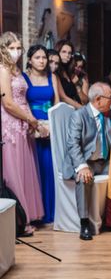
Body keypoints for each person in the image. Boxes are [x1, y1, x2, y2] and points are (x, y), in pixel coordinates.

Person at [62, 82, 111, 241]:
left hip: (103, 162)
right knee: (82, 179)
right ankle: (84, 223)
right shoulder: (79, 116)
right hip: (86, 161)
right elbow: (72, 144)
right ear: (97, 100)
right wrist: (82, 166)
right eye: (110, 98)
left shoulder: (108, 113)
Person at [0, 32, 45, 233]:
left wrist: (29, 121)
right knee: (13, 170)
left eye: (19, 48)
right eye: (12, 48)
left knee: (25, 168)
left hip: (23, 121)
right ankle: (18, 220)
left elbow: (22, 98)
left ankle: (27, 214)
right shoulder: (2, 70)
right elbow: (8, 102)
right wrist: (30, 119)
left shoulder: (16, 70)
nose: (16, 52)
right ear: (3, 48)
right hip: (10, 122)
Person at [24, 44, 62, 224]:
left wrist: (52, 127)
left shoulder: (52, 77)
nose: (42, 61)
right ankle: (35, 213)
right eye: (37, 57)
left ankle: (51, 212)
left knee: (49, 169)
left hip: (51, 126)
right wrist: (36, 125)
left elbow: (57, 103)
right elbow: (22, 104)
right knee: (34, 169)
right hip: (31, 127)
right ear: (30, 60)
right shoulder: (24, 78)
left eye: (44, 57)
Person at [54, 40, 83, 109]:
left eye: (69, 53)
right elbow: (63, 97)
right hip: (64, 110)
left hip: (75, 109)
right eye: (64, 52)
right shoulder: (55, 72)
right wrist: (83, 109)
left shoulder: (69, 71)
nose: (67, 55)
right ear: (57, 52)